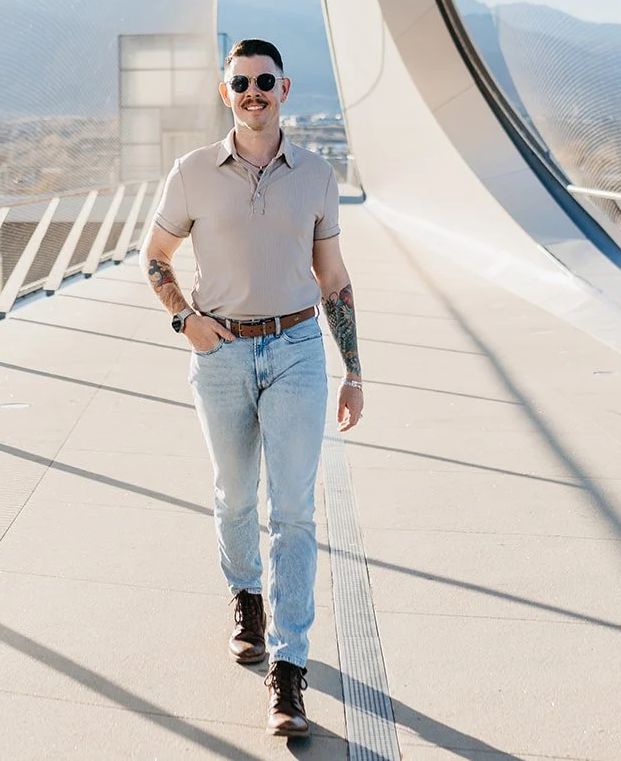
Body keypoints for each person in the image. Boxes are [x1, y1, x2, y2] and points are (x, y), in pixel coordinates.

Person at [143, 38, 363, 738]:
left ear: (286, 88)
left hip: (297, 346)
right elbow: (155, 255)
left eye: (265, 80)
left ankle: (289, 672)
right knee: (236, 493)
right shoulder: (192, 172)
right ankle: (247, 596)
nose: (253, 92)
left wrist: (354, 369)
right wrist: (185, 318)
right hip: (223, 352)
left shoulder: (318, 176)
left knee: (293, 509)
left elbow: (333, 278)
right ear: (225, 91)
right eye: (241, 82)